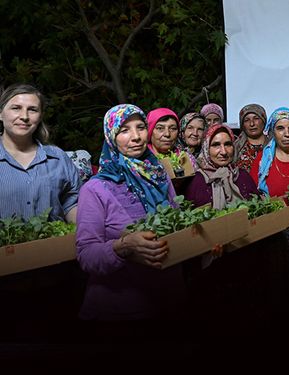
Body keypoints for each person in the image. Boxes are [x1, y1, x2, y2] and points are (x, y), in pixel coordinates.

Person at [75, 104, 186, 323]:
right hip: (120, 311)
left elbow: (177, 225)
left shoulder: (159, 175)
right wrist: (123, 246)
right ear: (111, 137)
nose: (135, 137)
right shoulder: (95, 189)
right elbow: (86, 255)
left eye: (141, 127)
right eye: (124, 130)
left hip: (170, 302)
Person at [0, 83, 82, 222]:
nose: (24, 116)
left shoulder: (58, 158)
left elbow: (73, 203)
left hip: (54, 243)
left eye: (32, 110)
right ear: (1, 113)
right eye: (16, 108)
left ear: (40, 116)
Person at [184, 123, 260, 209]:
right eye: (216, 145)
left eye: (227, 144)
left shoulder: (242, 176)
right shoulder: (196, 181)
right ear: (206, 148)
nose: (223, 152)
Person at [147, 107, 197, 172]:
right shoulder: (142, 160)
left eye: (173, 129)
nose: (167, 134)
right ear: (150, 131)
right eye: (160, 128)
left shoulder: (187, 159)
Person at [234, 103, 270, 172]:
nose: (252, 124)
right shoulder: (235, 148)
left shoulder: (273, 145)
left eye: (256, 118)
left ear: (263, 120)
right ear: (242, 125)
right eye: (246, 120)